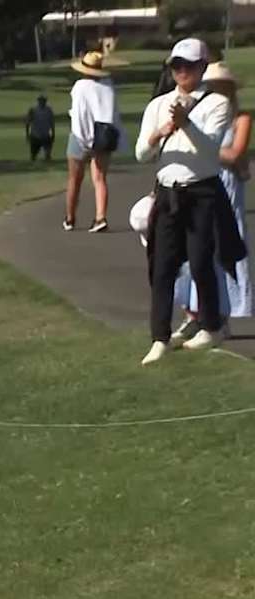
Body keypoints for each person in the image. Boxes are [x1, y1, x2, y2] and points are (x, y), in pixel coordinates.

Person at [137, 38, 244, 363]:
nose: (182, 72)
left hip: (202, 191)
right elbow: (142, 153)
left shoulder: (217, 104)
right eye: (176, 66)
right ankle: (160, 336)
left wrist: (186, 125)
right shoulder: (158, 105)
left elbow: (213, 150)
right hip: (169, 191)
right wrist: (159, 133)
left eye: (189, 66)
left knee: (200, 261)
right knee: (163, 266)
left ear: (201, 68)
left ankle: (211, 325)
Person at [172, 61, 254, 345]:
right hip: (201, 182)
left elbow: (235, 154)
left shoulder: (240, 117)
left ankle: (223, 316)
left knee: (225, 248)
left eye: (220, 86)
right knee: (195, 248)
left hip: (227, 188)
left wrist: (202, 146)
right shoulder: (200, 113)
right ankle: (196, 314)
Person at [65, 50, 121, 232]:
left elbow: (79, 116)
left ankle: (70, 217)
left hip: (80, 135)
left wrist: (84, 139)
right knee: (100, 178)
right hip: (104, 135)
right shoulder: (108, 85)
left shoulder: (80, 86)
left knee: (75, 179)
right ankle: (100, 216)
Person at [26, 93, 57, 162]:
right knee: (33, 155)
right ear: (38, 101)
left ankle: (48, 165)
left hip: (46, 135)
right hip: (35, 135)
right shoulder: (33, 110)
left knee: (48, 154)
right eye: (41, 100)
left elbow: (51, 123)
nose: (42, 102)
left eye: (44, 100)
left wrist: (53, 133)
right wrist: (27, 134)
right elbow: (28, 123)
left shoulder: (49, 110)